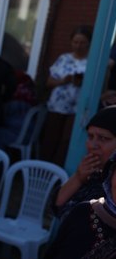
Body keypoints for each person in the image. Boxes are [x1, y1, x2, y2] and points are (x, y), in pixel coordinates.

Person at [53, 105, 116, 219]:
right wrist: (78, 178)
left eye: (103, 138)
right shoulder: (93, 174)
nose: (92, 145)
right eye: (90, 136)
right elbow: (57, 205)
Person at [41, 25, 92, 165]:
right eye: (75, 42)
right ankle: (44, 168)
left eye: (82, 42)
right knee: (51, 138)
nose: (78, 46)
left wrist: (83, 82)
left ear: (89, 43)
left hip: (78, 109)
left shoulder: (92, 62)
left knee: (67, 141)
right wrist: (63, 81)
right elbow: (49, 81)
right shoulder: (63, 59)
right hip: (57, 106)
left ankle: (61, 172)